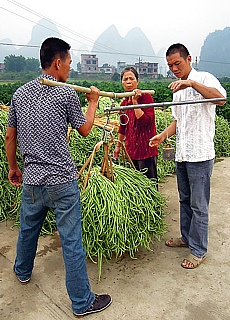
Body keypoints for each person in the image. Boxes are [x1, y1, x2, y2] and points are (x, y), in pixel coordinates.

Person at [5, 37, 112, 317]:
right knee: (72, 241)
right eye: (69, 62)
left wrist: (13, 167)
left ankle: (22, 271)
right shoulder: (65, 93)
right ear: (57, 63)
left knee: (28, 229)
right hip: (61, 182)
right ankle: (81, 302)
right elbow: (86, 130)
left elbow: (10, 135)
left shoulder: (19, 94)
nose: (70, 67)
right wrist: (93, 102)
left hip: (32, 180)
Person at [149, 43, 226, 269]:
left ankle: (199, 250)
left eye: (177, 63)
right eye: (170, 65)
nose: (174, 68)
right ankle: (186, 237)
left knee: (199, 204)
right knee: (184, 199)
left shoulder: (205, 78)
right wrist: (163, 135)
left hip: (200, 155)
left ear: (189, 59)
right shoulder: (176, 89)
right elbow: (178, 121)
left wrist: (191, 83)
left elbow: (221, 99)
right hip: (182, 154)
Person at [113, 66, 158, 185]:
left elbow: (146, 122)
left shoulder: (146, 97)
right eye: (125, 79)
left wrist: (135, 102)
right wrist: (118, 146)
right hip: (131, 151)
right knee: (135, 186)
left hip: (146, 150)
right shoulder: (123, 103)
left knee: (149, 185)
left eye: (131, 78)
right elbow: (123, 127)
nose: (128, 82)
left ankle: (152, 204)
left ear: (137, 81)